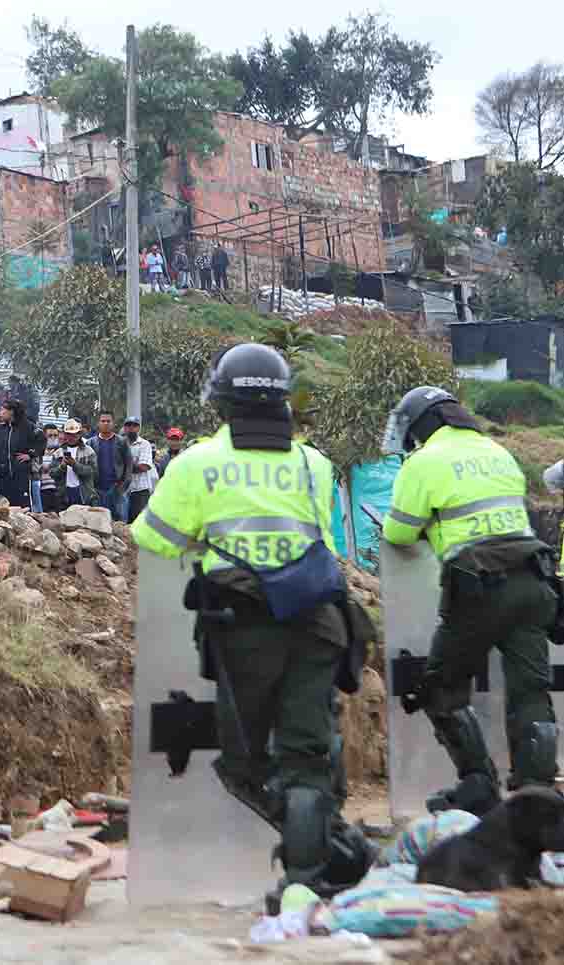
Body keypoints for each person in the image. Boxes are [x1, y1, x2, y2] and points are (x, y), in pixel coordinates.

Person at [131, 342, 373, 907]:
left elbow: (153, 538)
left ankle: (326, 850)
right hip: (318, 623)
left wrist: (206, 539)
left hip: (242, 628)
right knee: (306, 756)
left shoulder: (197, 463)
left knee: (244, 764)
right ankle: (310, 877)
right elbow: (323, 541)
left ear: (220, 400)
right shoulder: (314, 464)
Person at [381, 386, 558, 816]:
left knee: (441, 686)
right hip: (534, 582)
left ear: (422, 425)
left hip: (480, 588)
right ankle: (537, 792)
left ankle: (478, 783)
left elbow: (398, 533)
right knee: (530, 690)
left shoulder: (424, 461)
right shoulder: (497, 452)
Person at [0, 398, 40, 509]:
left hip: (21, 477)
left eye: (2, 409)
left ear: (11, 411)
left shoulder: (27, 426)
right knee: (5, 508)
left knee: (23, 508)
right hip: (3, 477)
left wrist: (30, 455)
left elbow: (41, 440)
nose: (0, 412)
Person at [91, 412, 131, 520]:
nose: (106, 423)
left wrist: (123, 485)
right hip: (97, 489)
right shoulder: (91, 443)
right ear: (98, 423)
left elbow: (129, 465)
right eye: (103, 421)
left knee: (119, 521)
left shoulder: (122, 442)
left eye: (108, 421)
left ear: (113, 423)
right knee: (98, 521)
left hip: (116, 488)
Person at [55, 419, 98, 508]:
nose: (72, 437)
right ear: (65, 434)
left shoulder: (88, 451)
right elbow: (52, 474)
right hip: (64, 494)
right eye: (69, 434)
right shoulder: (58, 452)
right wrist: (62, 467)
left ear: (79, 434)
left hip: (83, 494)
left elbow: (93, 472)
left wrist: (74, 464)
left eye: (75, 434)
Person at [123, 416, 158, 524]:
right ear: (124, 428)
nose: (131, 428)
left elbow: (144, 467)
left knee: (139, 523)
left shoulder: (145, 444)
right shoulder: (120, 443)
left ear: (138, 428)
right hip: (122, 490)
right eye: (128, 425)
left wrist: (123, 465)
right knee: (122, 523)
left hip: (140, 490)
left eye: (134, 425)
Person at [36, 423, 64, 513]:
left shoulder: (61, 451)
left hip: (58, 491)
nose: (53, 438)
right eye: (50, 435)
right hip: (42, 490)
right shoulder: (37, 451)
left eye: (55, 435)